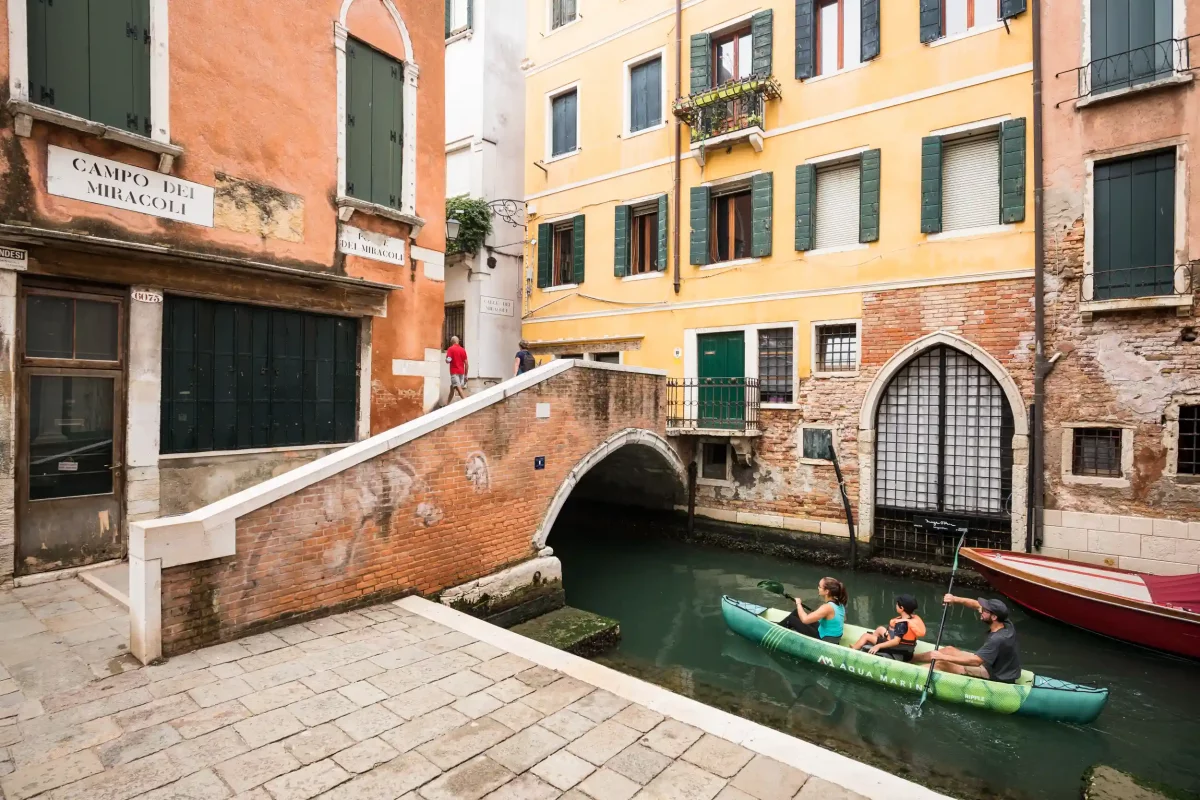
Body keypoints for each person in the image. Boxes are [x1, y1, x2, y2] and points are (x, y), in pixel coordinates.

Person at [912, 595, 1022, 684]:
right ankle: (910, 659)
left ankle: (910, 673)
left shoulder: (997, 639)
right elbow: (975, 604)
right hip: (993, 664)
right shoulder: (1006, 623)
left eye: (984, 610)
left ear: (994, 617)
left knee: (942, 663)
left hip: (996, 675)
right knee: (949, 649)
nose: (980, 611)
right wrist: (954, 599)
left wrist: (942, 657)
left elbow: (975, 662)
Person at [850, 594, 925, 661]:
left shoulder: (901, 624)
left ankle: (853, 650)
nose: (896, 605)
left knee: (865, 636)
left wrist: (878, 646)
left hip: (897, 648)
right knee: (880, 629)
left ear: (901, 608)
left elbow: (896, 642)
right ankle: (869, 645)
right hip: (903, 646)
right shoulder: (911, 618)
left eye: (897, 604)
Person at [780, 577, 848, 644]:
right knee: (796, 612)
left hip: (825, 640)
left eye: (820, 587)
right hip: (829, 635)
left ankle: (776, 630)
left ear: (827, 591)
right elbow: (840, 619)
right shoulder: (839, 602)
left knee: (791, 619)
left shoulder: (827, 607)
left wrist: (798, 603)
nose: (818, 588)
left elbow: (805, 620)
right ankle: (779, 626)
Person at [446, 336, 469, 401]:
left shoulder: (451, 349)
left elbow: (448, 360)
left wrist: (447, 360)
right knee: (452, 388)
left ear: (452, 342)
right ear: (458, 342)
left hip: (454, 372)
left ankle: (466, 402)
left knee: (458, 389)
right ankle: (447, 405)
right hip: (461, 373)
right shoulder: (463, 350)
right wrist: (466, 375)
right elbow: (466, 363)